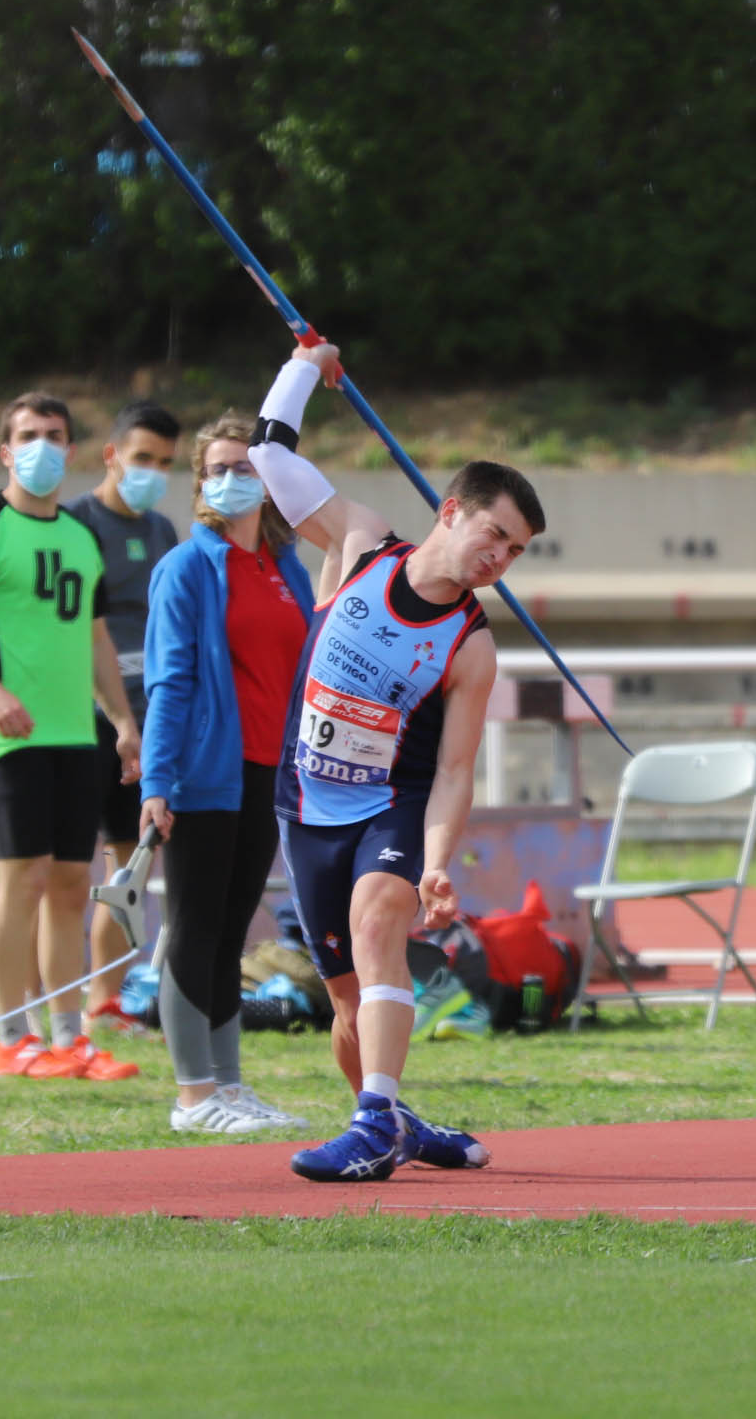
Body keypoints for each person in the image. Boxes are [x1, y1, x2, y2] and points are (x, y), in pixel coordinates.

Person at [246, 339, 543, 1181]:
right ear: (451, 511)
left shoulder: (471, 647)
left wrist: (439, 863)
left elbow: (453, 772)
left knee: (382, 923)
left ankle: (375, 1126)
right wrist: (309, 364)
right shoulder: (361, 545)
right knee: (347, 1005)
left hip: (392, 804)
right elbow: (269, 450)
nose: (501, 558)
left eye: (516, 551)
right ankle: (392, 1119)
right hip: (305, 805)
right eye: (496, 533)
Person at [0, 392, 142, 1083]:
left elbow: (97, 636)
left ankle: (68, 1035)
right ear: (4, 450)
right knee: (24, 880)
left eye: (54, 435)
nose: (42, 447)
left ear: (72, 450)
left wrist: (122, 720)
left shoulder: (81, 537)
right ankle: (12, 1037)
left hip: (74, 733)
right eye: (28, 435)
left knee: (74, 885)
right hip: (5, 733)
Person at [139, 413, 317, 1133]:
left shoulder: (286, 569)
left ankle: (228, 1087)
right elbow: (169, 681)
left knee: (232, 930)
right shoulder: (187, 565)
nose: (229, 479)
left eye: (245, 467)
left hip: (269, 773)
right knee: (194, 925)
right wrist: (156, 783)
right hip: (206, 771)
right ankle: (193, 1095)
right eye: (216, 468)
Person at [61, 399, 182, 1028]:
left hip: (148, 727)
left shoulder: (163, 530)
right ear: (111, 456)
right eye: (142, 459)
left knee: (128, 865)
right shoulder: (72, 524)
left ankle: (101, 1004)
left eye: (165, 463)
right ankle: (42, 1013)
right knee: (57, 875)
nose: (153, 472)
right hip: (80, 723)